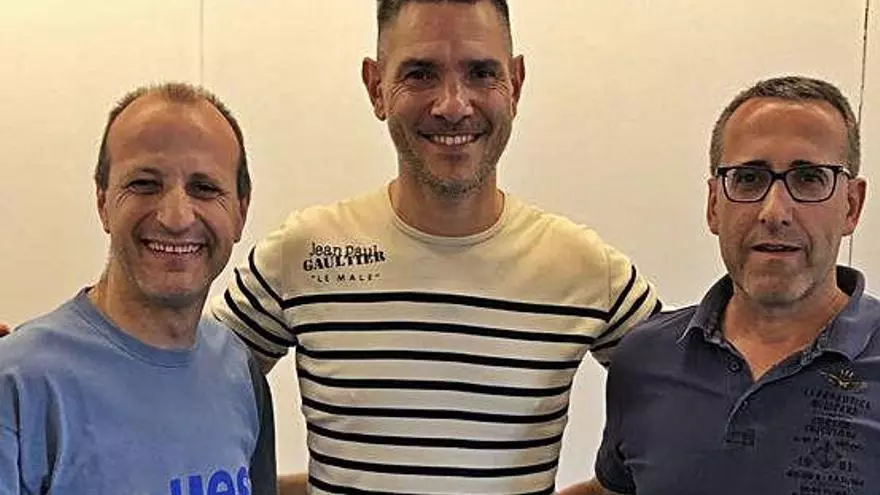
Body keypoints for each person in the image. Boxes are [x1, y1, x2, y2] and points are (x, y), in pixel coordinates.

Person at [212, 1, 659, 493]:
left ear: (515, 84)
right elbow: (178, 385)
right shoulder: (301, 256)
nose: (452, 105)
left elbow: (694, 404)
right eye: (421, 74)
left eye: (481, 73)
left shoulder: (587, 270)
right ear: (376, 87)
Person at [579, 75, 876, 495]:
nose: (775, 212)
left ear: (851, 206)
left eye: (809, 178)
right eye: (748, 178)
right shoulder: (644, 357)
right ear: (714, 204)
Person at [0, 83, 277, 494]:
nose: (176, 217)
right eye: (145, 184)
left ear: (241, 211)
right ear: (103, 202)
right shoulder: (18, 384)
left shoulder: (240, 372)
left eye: (204, 188)